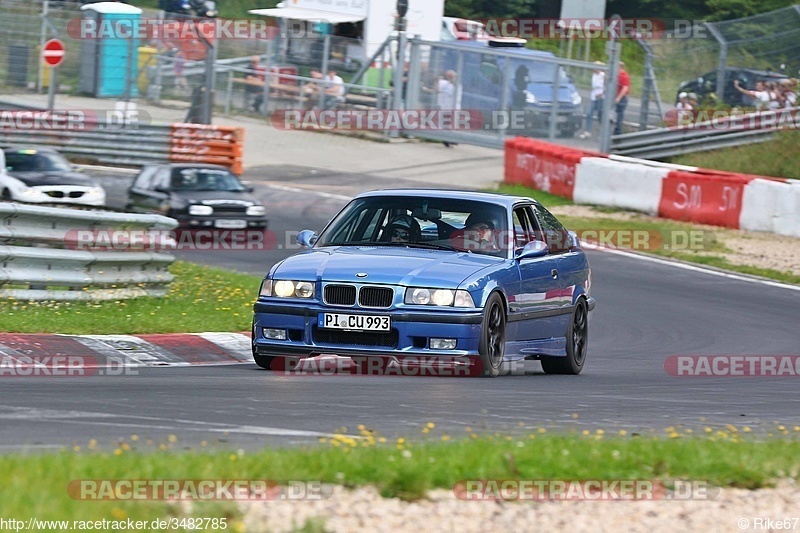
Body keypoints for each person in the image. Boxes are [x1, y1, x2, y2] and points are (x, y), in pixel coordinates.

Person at [580, 61, 604, 139]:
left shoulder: (603, 75)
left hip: (601, 97)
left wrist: (601, 93)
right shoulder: (593, 75)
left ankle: (602, 133)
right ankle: (587, 131)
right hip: (593, 97)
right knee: (589, 113)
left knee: (600, 115)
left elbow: (606, 86)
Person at [437, 70, 461, 147]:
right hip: (445, 107)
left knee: (453, 124)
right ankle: (446, 139)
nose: (450, 78)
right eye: (449, 76)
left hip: (454, 108)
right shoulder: (444, 84)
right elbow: (437, 89)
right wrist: (436, 81)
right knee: (445, 124)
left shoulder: (458, 85)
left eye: (452, 76)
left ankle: (452, 139)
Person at [614, 61, 630, 135]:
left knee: (619, 116)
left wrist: (619, 98)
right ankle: (616, 130)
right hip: (617, 97)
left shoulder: (624, 76)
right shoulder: (618, 75)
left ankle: (618, 132)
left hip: (622, 98)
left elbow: (625, 88)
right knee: (616, 114)